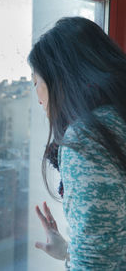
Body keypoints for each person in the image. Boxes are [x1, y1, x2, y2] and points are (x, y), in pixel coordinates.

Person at [27, 16, 126, 270]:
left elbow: (95, 264)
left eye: (35, 81)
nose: (36, 93)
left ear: (60, 79)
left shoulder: (87, 139)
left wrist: (81, 256)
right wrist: (71, 251)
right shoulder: (117, 118)